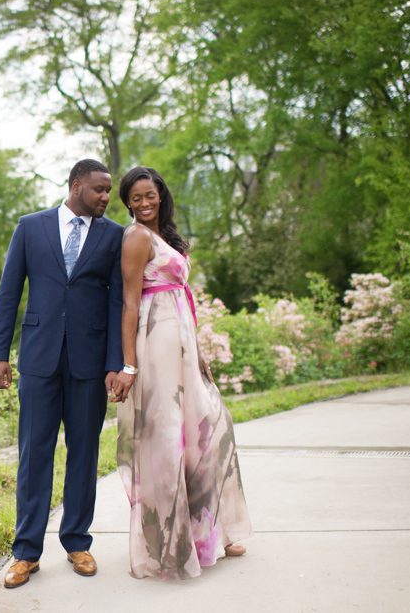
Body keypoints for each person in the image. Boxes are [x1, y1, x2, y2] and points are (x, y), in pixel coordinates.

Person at [0, 159, 124, 589]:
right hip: (40, 359)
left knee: (84, 454)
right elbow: (10, 291)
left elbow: (118, 302)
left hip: (89, 361)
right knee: (34, 455)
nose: (106, 197)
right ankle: (26, 553)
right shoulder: (31, 227)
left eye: (108, 191)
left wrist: (115, 363)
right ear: (77, 185)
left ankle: (77, 542)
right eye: (100, 189)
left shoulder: (114, 236)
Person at [110, 166, 252, 579]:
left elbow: (183, 300)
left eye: (149, 195)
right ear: (128, 203)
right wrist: (129, 363)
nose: (143, 203)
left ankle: (211, 531)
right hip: (156, 345)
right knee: (169, 438)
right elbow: (131, 303)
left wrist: (199, 351)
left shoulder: (166, 236)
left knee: (208, 430)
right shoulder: (136, 237)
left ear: (161, 195)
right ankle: (170, 543)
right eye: (135, 198)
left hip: (183, 345)